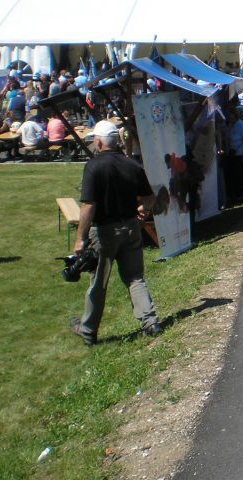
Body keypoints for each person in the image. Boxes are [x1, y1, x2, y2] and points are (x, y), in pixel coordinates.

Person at [69, 121, 162, 345]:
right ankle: (150, 322)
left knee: (98, 282)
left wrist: (80, 239)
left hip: (103, 232)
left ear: (99, 142)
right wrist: (143, 210)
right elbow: (150, 198)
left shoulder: (94, 166)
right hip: (130, 228)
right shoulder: (132, 165)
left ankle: (88, 330)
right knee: (135, 277)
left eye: (94, 140)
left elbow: (88, 206)